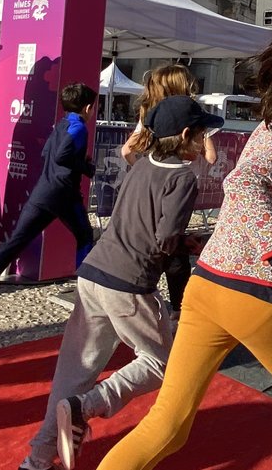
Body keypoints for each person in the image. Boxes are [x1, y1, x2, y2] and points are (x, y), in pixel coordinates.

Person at [97, 31, 272, 470]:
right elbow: (245, 184)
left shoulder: (269, 126)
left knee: (169, 423)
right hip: (255, 290)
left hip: (208, 283)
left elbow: (259, 189)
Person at [17, 95, 217, 470]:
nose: (205, 141)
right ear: (187, 135)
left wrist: (175, 241)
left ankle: (37, 459)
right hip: (130, 282)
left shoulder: (139, 165)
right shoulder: (183, 178)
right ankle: (87, 406)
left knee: (73, 371)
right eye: (202, 134)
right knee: (161, 363)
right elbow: (165, 238)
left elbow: (140, 222)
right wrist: (187, 246)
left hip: (94, 272)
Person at [0, 83, 97, 337]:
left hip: (42, 192)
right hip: (62, 194)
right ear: (88, 107)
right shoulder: (78, 127)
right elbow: (63, 156)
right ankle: (88, 303)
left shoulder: (61, 124)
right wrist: (86, 167)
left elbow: (47, 153)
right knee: (85, 237)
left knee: (13, 244)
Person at [120, 64, 218, 316]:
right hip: (176, 185)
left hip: (149, 193)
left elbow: (127, 151)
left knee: (169, 251)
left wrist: (144, 172)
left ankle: (173, 307)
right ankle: (178, 309)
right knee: (172, 250)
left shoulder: (149, 115)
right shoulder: (188, 116)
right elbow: (211, 158)